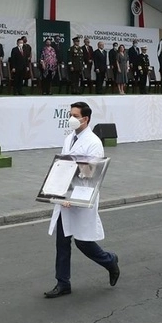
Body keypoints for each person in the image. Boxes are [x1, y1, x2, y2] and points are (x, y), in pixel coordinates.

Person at [44, 102, 120, 298]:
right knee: (62, 241)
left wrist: (73, 191)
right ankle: (63, 283)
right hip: (65, 196)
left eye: (75, 115)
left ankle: (110, 261)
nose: (71, 118)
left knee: (83, 242)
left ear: (85, 119)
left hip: (82, 195)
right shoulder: (69, 138)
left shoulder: (94, 142)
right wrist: (57, 190)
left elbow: (91, 173)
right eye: (70, 114)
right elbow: (62, 165)